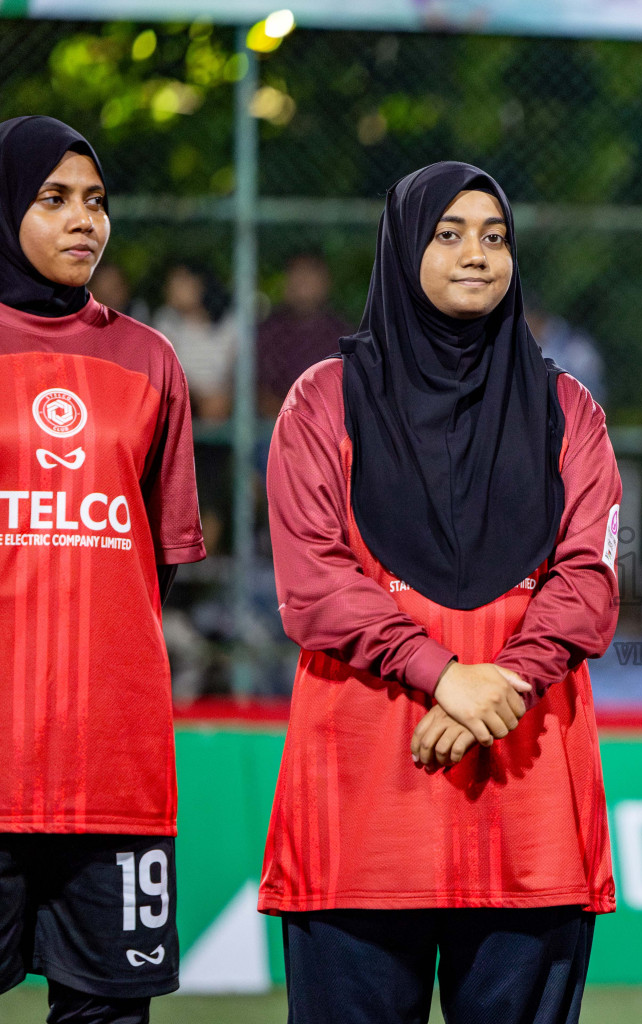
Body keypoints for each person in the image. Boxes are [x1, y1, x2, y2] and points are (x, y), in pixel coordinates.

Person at [260, 162, 621, 1024]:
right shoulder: (324, 401)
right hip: (362, 804)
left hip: (526, 797)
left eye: (495, 237)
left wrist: (500, 681)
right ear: (401, 248)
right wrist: (442, 672)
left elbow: (590, 580)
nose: (477, 255)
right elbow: (312, 579)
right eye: (449, 234)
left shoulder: (568, 409)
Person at [0, 116, 205, 1023]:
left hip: (112, 770)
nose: (84, 221)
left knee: (107, 1014)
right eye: (53, 200)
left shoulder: (151, 360)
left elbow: (156, 567)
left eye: (96, 202)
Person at [256, 252, 352, 417]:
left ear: (326, 282)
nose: (303, 281)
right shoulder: (269, 330)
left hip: (326, 420)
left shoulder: (341, 332)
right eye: (297, 274)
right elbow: (259, 390)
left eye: (310, 274)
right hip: (277, 420)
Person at [151, 263, 235, 422]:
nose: (171, 290)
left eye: (180, 282)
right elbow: (167, 374)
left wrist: (225, 398)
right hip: (186, 403)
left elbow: (238, 372)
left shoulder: (229, 322)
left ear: (201, 285)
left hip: (225, 403)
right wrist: (200, 399)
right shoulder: (166, 321)